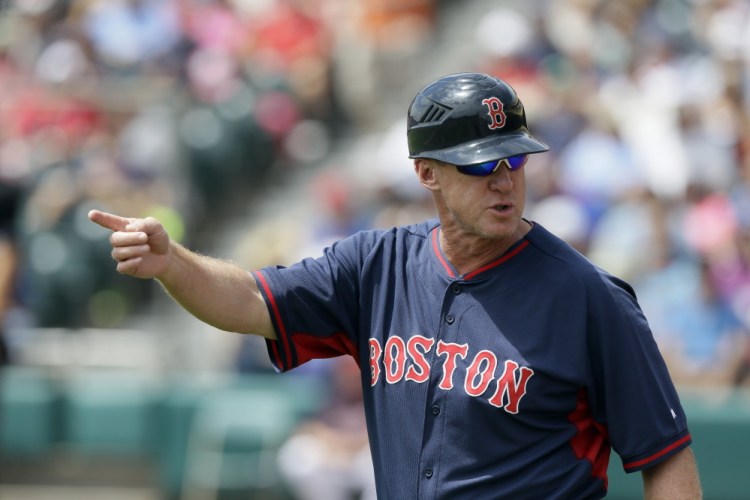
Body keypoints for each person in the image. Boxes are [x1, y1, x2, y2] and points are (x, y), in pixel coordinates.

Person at [89, 72, 702, 499]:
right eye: (481, 164)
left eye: (515, 159)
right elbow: (251, 301)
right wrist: (174, 265)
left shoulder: (589, 296)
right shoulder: (375, 265)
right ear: (426, 173)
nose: (504, 180)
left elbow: (665, 453)